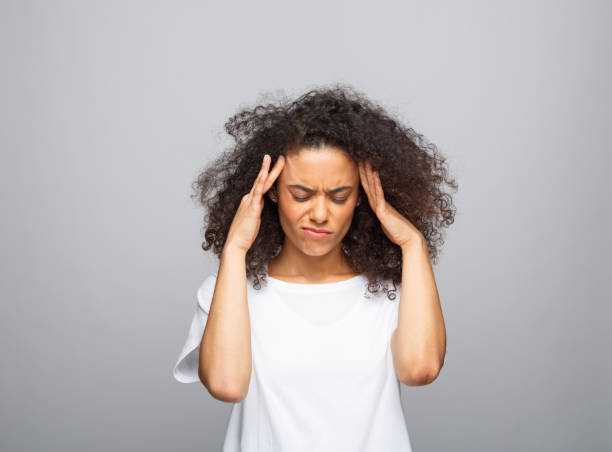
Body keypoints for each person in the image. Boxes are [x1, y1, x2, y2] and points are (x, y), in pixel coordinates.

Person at [173, 84, 457, 451]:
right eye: (301, 195)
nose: (320, 214)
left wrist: (413, 244)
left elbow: (421, 369)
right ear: (272, 191)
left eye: (339, 196)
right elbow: (227, 384)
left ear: (362, 197)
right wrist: (235, 249)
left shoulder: (392, 295)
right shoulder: (228, 291)